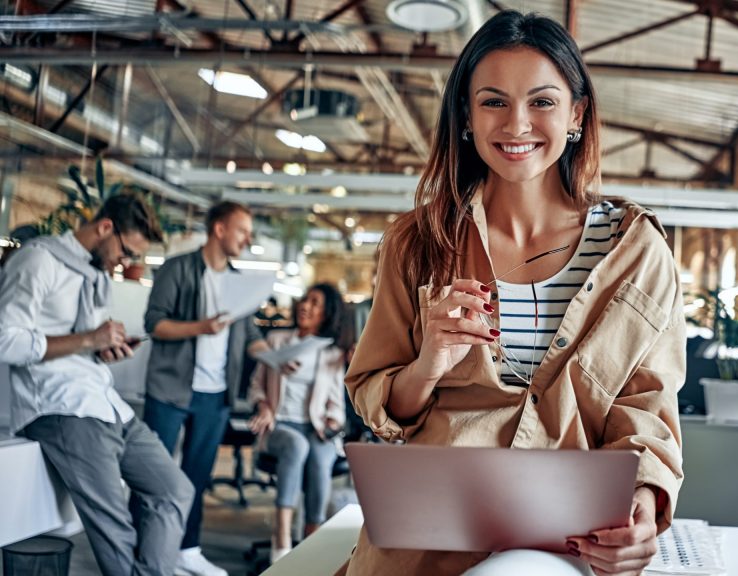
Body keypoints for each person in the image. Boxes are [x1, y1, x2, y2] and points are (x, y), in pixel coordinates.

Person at [344, 10, 686, 576]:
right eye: (494, 101)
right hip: (427, 546)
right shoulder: (418, 241)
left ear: (576, 113)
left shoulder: (637, 250)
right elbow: (378, 402)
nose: (517, 124)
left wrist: (644, 505)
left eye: (543, 102)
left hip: (572, 543)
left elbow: (648, 410)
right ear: (467, 116)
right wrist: (428, 364)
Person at [0, 193, 193, 576]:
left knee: (174, 490)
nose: (127, 263)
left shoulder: (95, 276)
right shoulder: (39, 260)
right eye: (127, 252)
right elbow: (6, 339)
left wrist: (104, 349)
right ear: (105, 228)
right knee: (116, 531)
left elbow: (84, 342)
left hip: (106, 403)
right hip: (61, 410)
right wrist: (90, 340)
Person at [143, 201, 276, 576]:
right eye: (242, 231)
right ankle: (145, 549)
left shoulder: (240, 283)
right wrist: (201, 326)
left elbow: (249, 335)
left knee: (197, 475)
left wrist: (278, 358)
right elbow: (155, 324)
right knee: (153, 473)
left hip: (214, 394)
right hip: (169, 388)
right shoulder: (177, 269)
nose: (247, 239)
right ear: (219, 229)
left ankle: (187, 550)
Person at [248, 283, 348, 562]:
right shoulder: (277, 340)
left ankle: (311, 536)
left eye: (315, 303)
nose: (305, 306)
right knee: (296, 445)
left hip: (314, 427)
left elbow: (337, 407)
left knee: (320, 453)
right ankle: (281, 536)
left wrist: (331, 422)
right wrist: (264, 405)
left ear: (326, 314)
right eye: (305, 300)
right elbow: (255, 385)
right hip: (279, 426)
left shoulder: (331, 353)